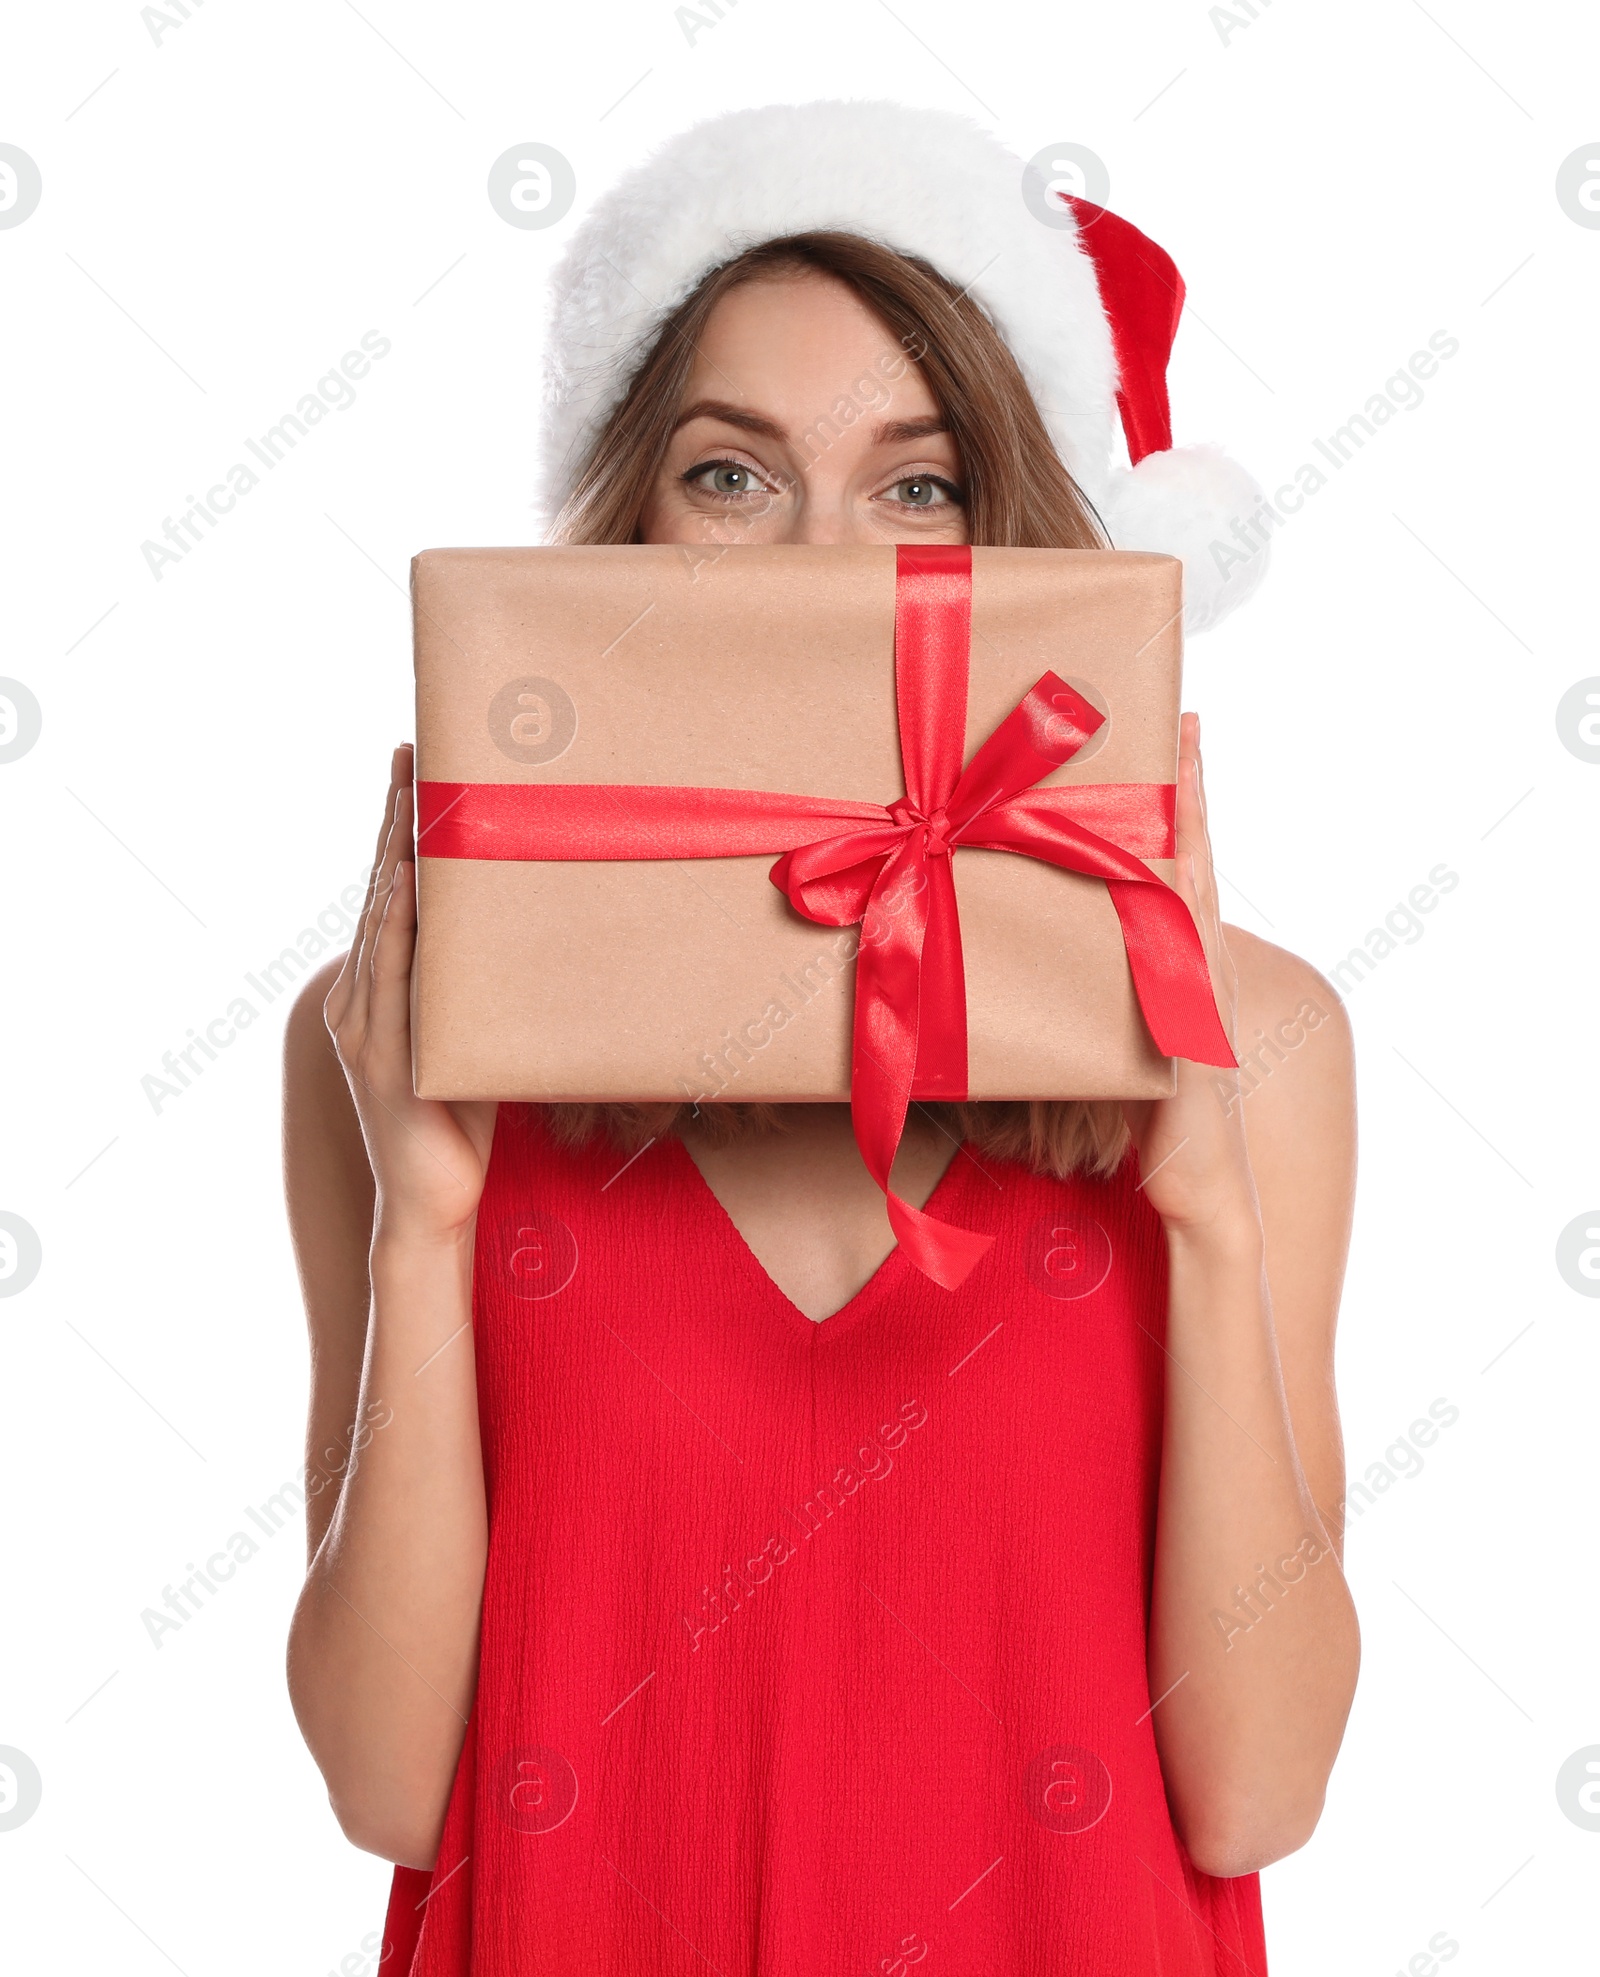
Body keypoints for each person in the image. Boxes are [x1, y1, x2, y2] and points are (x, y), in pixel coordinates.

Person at [284, 102, 1359, 1976]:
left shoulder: (1257, 1037)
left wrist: (1205, 1201)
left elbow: (1257, 1798)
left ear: (1021, 539)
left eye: (918, 484)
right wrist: (426, 1220)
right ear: (624, 523)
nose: (823, 557)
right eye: (732, 473)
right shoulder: (399, 1041)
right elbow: (389, 1789)